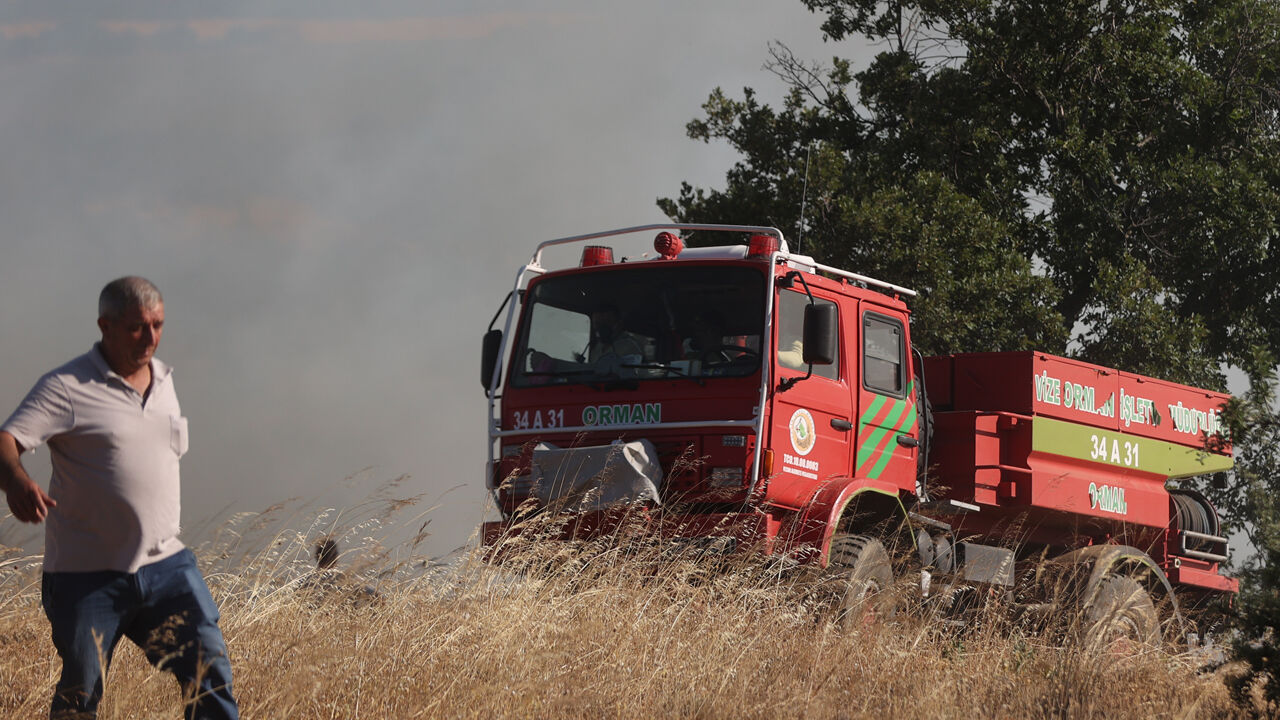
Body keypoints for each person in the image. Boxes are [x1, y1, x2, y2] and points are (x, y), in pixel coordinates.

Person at [0, 277, 239, 720]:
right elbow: (6, 440)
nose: (150, 338)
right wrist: (15, 480)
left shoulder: (165, 380)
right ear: (104, 326)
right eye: (136, 327)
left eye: (158, 325)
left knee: (210, 673)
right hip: (86, 578)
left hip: (166, 568)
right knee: (81, 696)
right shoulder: (67, 386)